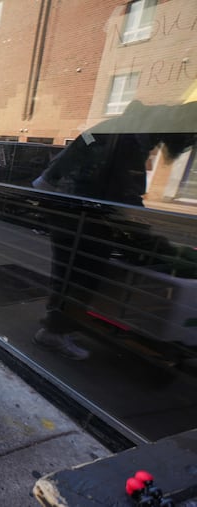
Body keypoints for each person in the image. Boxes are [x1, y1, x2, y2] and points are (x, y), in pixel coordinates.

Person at [31, 100, 196, 360]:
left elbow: (119, 198)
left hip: (64, 203)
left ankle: (56, 326)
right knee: (82, 273)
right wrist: (152, 242)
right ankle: (55, 331)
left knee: (71, 270)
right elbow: (123, 199)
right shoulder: (128, 139)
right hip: (71, 208)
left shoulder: (128, 130)